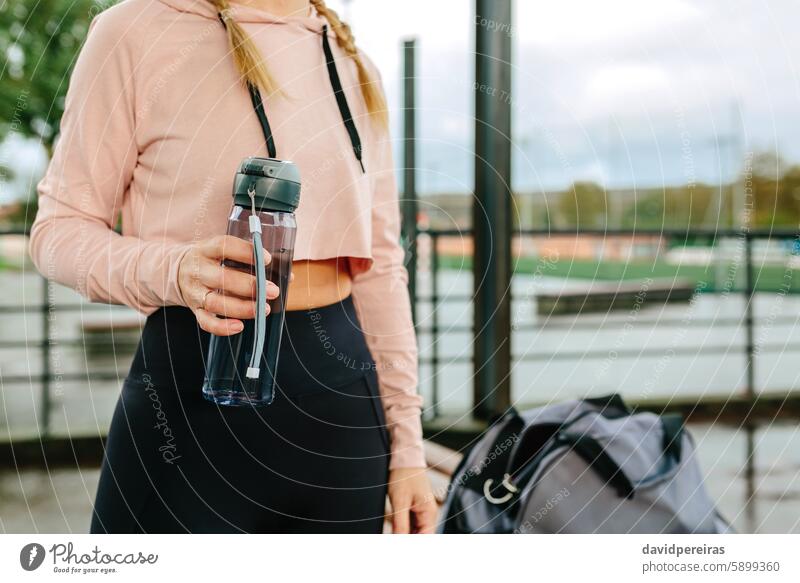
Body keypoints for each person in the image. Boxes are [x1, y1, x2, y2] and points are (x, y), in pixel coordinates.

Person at [29, 0, 436, 534]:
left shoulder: (352, 60)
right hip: (191, 395)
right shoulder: (134, 31)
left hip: (343, 410)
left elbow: (382, 268)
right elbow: (57, 231)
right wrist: (173, 271)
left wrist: (408, 447)